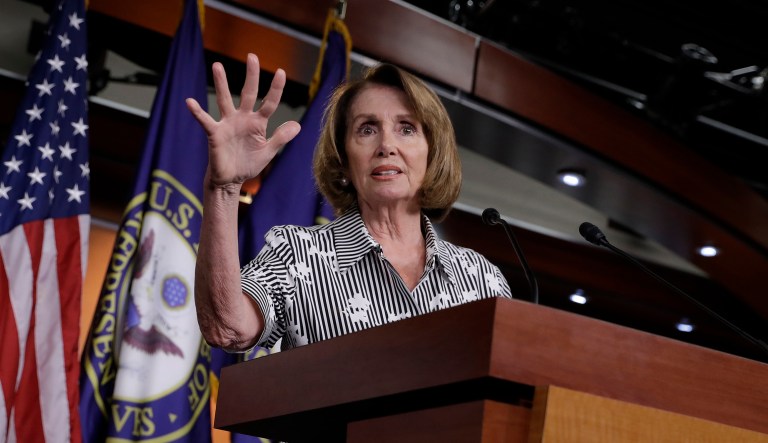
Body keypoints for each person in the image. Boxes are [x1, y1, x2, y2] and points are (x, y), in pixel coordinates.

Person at [186, 53, 512, 352]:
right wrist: (224, 189)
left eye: (407, 129)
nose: (386, 144)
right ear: (343, 161)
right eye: (367, 129)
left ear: (432, 153)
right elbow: (227, 329)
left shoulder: (482, 279)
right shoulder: (296, 254)